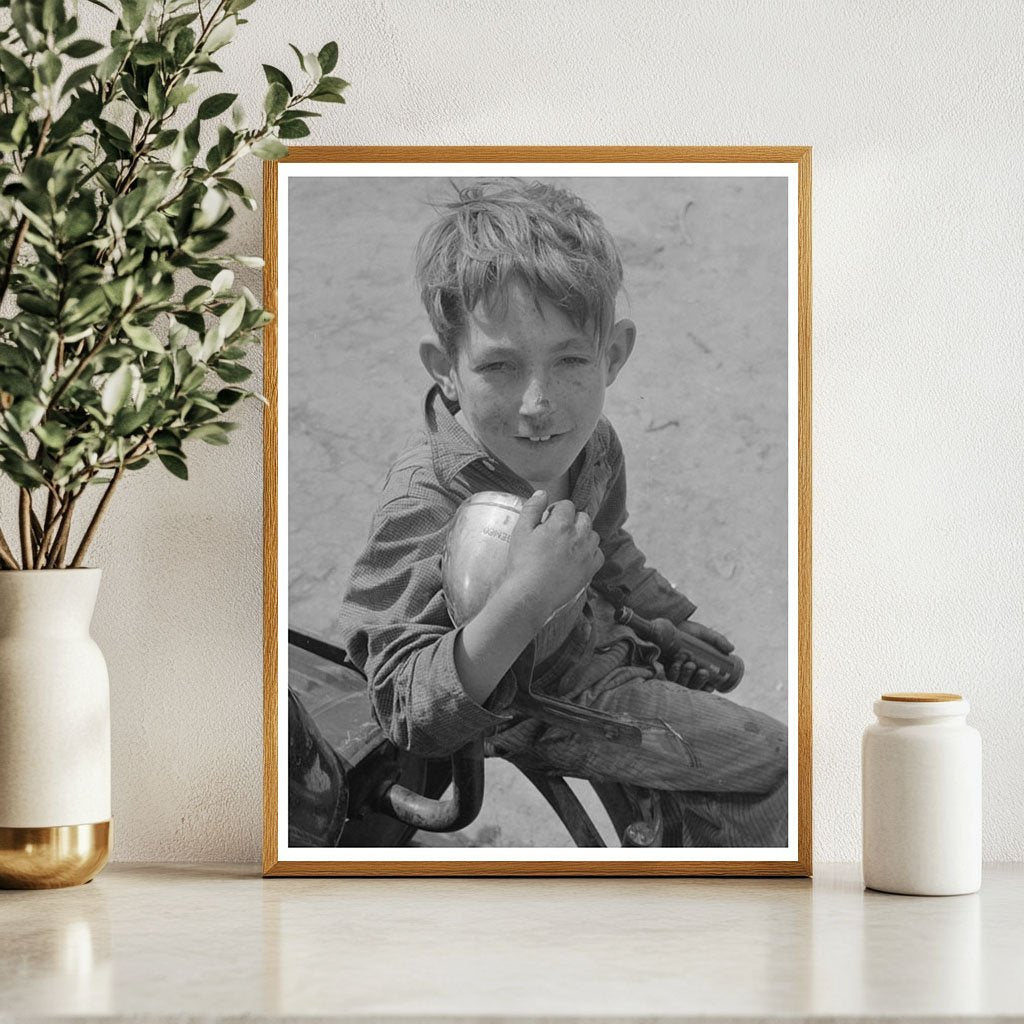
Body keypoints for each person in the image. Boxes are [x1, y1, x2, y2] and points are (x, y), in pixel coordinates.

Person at [338, 178, 787, 847]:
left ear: (613, 356)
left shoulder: (593, 444)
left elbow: (607, 542)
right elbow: (406, 710)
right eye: (500, 367)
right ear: (446, 371)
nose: (538, 405)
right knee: (778, 766)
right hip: (520, 701)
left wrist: (669, 618)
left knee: (719, 722)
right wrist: (522, 598)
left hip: (592, 639)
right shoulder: (426, 501)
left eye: (571, 361)